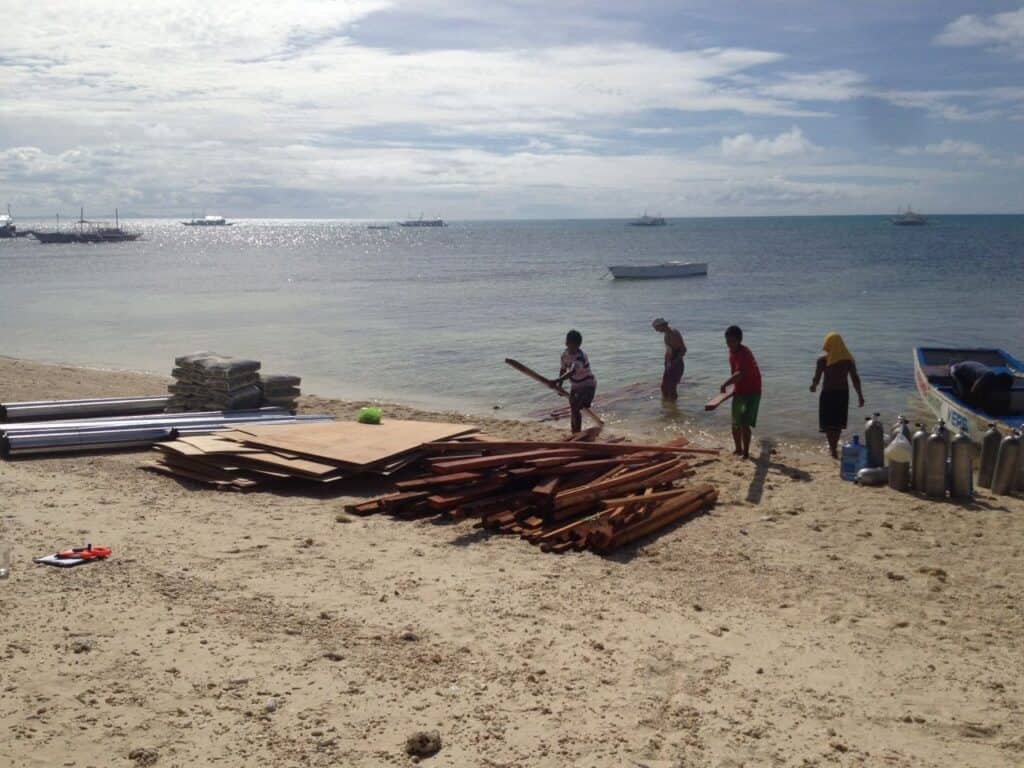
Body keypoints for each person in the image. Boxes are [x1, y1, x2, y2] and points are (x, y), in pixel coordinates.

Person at [809, 332, 865, 458]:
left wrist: (813, 386)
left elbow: (816, 378)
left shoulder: (823, 360)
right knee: (838, 423)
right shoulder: (848, 361)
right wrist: (860, 395)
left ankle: (832, 448)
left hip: (828, 394)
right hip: (842, 394)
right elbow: (855, 379)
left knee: (829, 423)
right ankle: (834, 449)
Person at [720, 325, 761, 458]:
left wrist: (725, 384)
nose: (729, 344)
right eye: (727, 341)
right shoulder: (732, 352)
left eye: (732, 341)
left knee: (745, 424)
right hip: (740, 390)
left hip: (753, 392)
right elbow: (737, 375)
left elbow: (739, 374)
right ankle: (738, 448)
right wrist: (733, 387)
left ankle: (746, 452)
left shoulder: (744, 353)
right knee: (736, 422)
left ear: (739, 340)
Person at [552, 329, 597, 434]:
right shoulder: (564, 355)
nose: (573, 348)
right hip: (576, 386)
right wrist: (559, 386)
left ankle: (586, 403)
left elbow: (572, 372)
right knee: (574, 409)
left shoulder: (580, 357)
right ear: (566, 343)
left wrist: (556, 380)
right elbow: (563, 369)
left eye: (575, 346)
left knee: (580, 405)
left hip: (588, 385)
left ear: (579, 345)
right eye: (570, 345)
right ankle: (575, 432)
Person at [652, 318, 686, 400]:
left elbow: (683, 350)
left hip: (676, 363)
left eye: (656, 328)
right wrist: (666, 362)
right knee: (664, 387)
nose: (656, 331)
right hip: (669, 363)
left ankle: (673, 409)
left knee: (672, 388)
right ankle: (667, 407)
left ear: (662, 325)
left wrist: (675, 361)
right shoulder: (666, 334)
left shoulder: (674, 333)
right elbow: (668, 350)